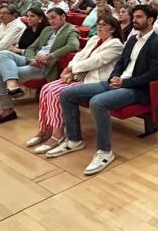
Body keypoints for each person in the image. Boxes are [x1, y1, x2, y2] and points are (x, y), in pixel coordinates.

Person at [46, 5, 158, 175]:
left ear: (150, 20)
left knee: (97, 102)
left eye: (139, 17)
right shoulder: (132, 39)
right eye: (134, 16)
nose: (134, 20)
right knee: (67, 94)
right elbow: (121, 63)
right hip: (117, 82)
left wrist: (125, 82)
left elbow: (154, 75)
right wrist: (115, 76)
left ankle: (105, 151)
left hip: (137, 88)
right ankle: (74, 139)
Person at [27, 15, 124, 153]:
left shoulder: (116, 44)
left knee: (56, 93)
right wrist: (70, 70)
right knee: (46, 88)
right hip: (78, 75)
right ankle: (44, 129)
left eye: (103, 25)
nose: (99, 27)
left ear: (113, 29)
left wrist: (70, 69)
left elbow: (96, 61)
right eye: (98, 24)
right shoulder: (94, 39)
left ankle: (58, 134)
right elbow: (79, 55)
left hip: (94, 80)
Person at [0, 8, 80, 126]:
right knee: (4, 53)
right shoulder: (47, 30)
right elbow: (31, 48)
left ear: (63, 17)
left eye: (54, 17)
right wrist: (31, 59)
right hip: (33, 60)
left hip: (45, 66)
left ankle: (6, 110)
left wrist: (49, 56)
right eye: (49, 18)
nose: (51, 21)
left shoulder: (71, 30)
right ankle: (12, 85)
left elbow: (73, 45)